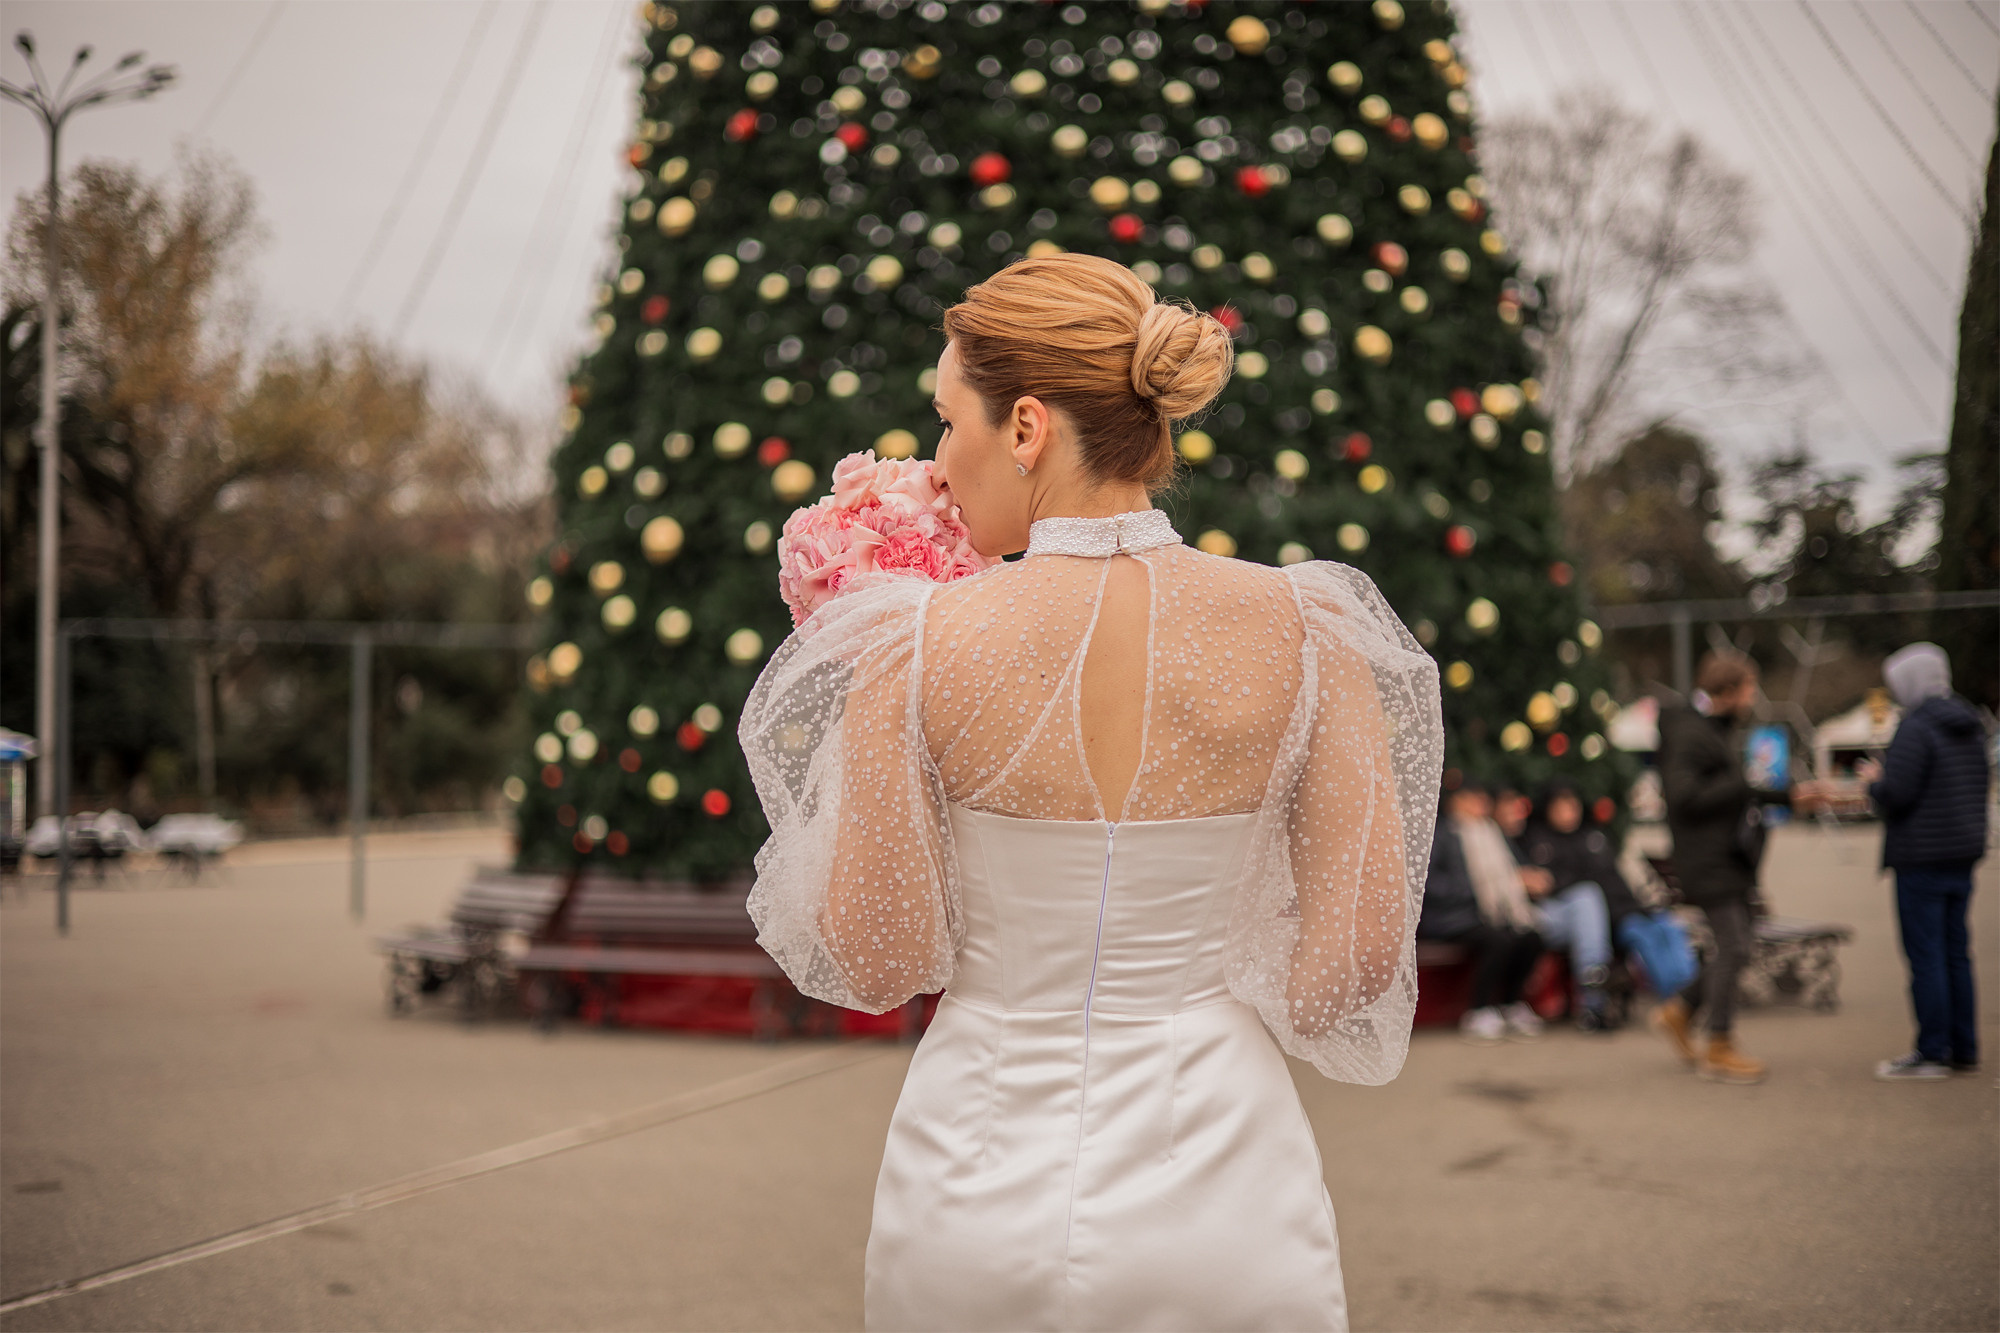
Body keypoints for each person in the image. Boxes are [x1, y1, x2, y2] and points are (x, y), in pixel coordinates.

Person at [739, 253, 1443, 1331]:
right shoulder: (1311, 629)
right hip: (1225, 1182)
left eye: (946, 420)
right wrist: (1207, 982)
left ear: (1025, 427)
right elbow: (1347, 972)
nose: (936, 463)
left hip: (973, 1180)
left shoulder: (909, 645)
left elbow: (879, 961)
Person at [1861, 642, 1991, 1080]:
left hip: (1921, 856)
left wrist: (1875, 782)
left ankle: (1933, 1050)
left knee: (1926, 955)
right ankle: (1963, 1047)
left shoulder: (1916, 727)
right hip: (1962, 853)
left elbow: (1897, 793)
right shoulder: (1970, 723)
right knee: (1956, 953)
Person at [1651, 649, 1775, 1084]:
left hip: (1724, 859)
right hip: (1707, 860)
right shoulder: (1691, 732)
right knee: (1735, 946)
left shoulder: (1712, 728)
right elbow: (1683, 796)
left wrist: (1791, 797)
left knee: (1737, 943)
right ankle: (1719, 1045)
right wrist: (1739, 783)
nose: (1753, 698)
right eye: (1749, 689)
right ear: (1729, 691)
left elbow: (1733, 789)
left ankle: (1681, 1010)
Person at [1420, 781, 1548, 1044]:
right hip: (1449, 917)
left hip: (1486, 914)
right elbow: (1429, 882)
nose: (1481, 805)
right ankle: (1478, 1010)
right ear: (1456, 802)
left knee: (1531, 936)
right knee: (1498, 939)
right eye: (1474, 799)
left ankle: (1511, 1004)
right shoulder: (1441, 834)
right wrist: (1472, 891)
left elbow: (1515, 869)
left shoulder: (1492, 832)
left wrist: (1529, 878)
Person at [1515, 782, 1619, 1030]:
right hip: (1540, 913)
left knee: (1587, 900)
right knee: (1587, 902)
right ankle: (1594, 992)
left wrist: (1555, 881)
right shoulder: (1532, 836)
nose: (1568, 812)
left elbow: (1604, 879)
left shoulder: (1590, 838)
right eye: (1560, 806)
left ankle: (1593, 986)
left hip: (1579, 916)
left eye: (1572, 806)